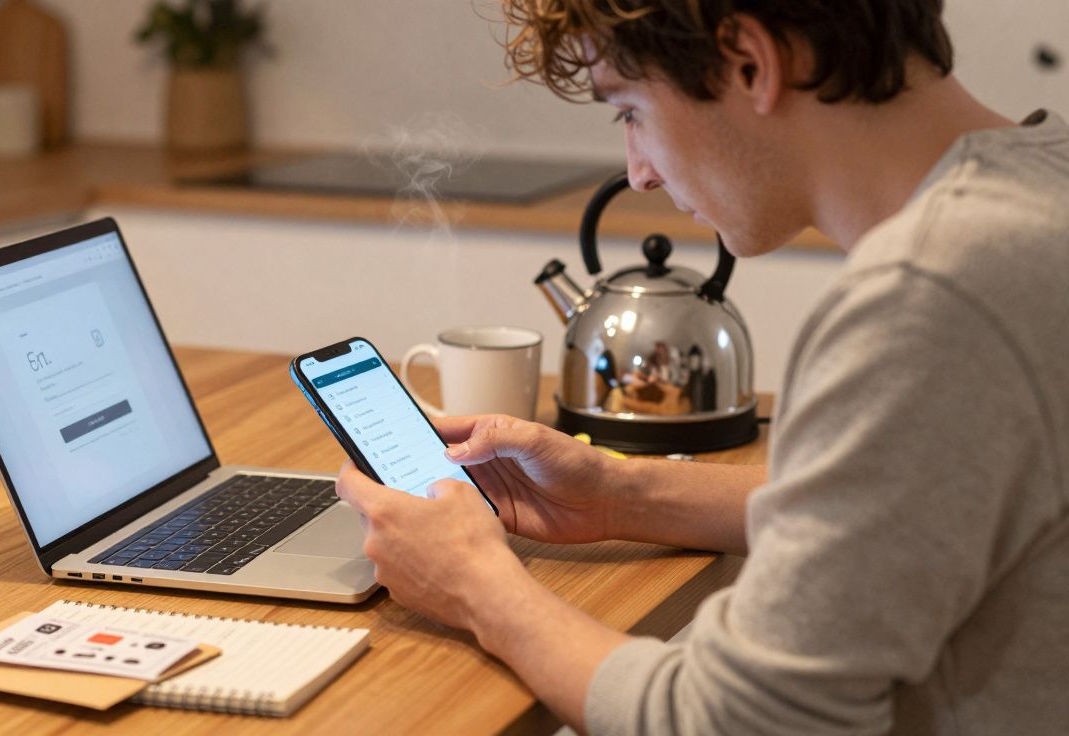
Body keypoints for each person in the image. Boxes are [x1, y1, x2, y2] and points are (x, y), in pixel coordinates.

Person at [335, 1, 1069, 733]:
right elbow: (912, 501)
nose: (639, 172)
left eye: (629, 111)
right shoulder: (1044, 181)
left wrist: (474, 585)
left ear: (750, 64)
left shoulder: (932, 295)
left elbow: (734, 723)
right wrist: (624, 492)